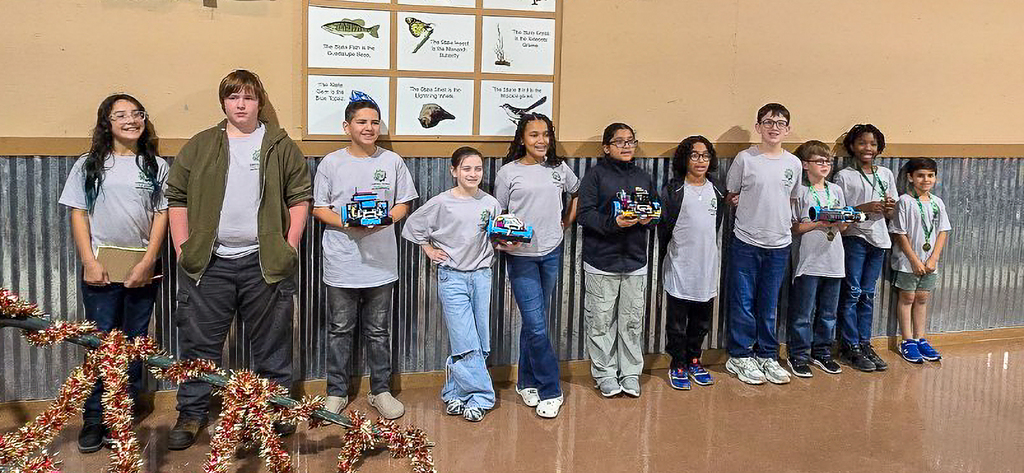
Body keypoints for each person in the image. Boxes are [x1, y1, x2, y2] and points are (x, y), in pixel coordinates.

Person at [165, 70, 312, 450]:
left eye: (248, 97)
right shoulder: (200, 145)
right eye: (233, 98)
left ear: (259, 102)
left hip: (264, 264)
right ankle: (192, 412)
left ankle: (275, 408)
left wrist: (289, 245)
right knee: (198, 345)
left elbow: (300, 197)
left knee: (273, 342)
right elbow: (176, 197)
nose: (241, 105)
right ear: (224, 103)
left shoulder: (280, 145)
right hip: (209, 264)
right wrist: (182, 247)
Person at [58, 94, 168, 453]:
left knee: (133, 343)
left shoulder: (155, 166)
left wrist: (148, 261)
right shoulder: (89, 164)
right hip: (101, 268)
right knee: (100, 344)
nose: (130, 120)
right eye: (120, 115)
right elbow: (78, 213)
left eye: (137, 114)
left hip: (141, 269)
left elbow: (162, 215)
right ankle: (93, 417)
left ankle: (121, 416)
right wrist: (89, 261)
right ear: (107, 122)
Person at [312, 98, 417, 420]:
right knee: (339, 330)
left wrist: (385, 219)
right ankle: (336, 392)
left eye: (374, 122)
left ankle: (380, 390)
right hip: (341, 262)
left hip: (381, 264)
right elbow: (319, 208)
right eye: (361, 122)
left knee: (378, 331)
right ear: (347, 127)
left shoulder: (392, 161)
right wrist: (348, 221)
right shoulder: (331, 163)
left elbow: (404, 203)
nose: (369, 128)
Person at [401, 146, 513, 422]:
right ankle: (482, 397)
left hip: (482, 276)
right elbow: (412, 226)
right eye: (466, 168)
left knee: (480, 340)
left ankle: (456, 393)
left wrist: (505, 242)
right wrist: (428, 249)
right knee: (465, 339)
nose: (473, 174)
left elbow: (493, 236)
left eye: (478, 169)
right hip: (452, 278)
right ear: (454, 171)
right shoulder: (441, 203)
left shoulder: (491, 203)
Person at [494, 113, 579, 418]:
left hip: (551, 252)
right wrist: (503, 239)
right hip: (521, 258)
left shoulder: (559, 168)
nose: (541, 140)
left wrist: (565, 223)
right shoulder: (508, 173)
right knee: (537, 324)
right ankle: (551, 389)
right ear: (522, 139)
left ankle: (526, 380)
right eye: (534, 135)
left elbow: (576, 193)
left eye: (546, 134)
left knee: (535, 321)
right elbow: (498, 213)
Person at [576, 123, 658, 398]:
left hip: (636, 261)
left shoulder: (643, 176)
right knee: (600, 322)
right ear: (606, 147)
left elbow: (655, 209)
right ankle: (605, 374)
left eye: (630, 141)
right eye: (619, 141)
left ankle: (631, 373)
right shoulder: (595, 176)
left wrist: (648, 219)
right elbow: (585, 214)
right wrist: (614, 223)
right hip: (601, 262)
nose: (626, 146)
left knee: (632, 322)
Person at [724, 103, 802, 386]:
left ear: (788, 130)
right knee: (743, 301)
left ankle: (766, 354)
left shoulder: (793, 164)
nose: (774, 128)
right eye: (768, 122)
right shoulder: (745, 159)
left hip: (779, 243)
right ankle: (740, 355)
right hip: (746, 241)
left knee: (769, 303)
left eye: (780, 123)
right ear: (758, 127)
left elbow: (792, 199)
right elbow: (731, 194)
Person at [658, 135, 725, 391]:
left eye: (705, 155)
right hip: (680, 266)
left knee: (701, 321)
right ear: (685, 159)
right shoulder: (674, 190)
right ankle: (677, 363)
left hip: (706, 267)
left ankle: (694, 360)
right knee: (677, 323)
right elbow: (665, 229)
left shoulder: (717, 190)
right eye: (694, 155)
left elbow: (715, 225)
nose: (700, 161)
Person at [833, 124, 897, 372]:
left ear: (879, 148)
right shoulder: (844, 176)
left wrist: (888, 208)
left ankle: (864, 343)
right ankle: (850, 346)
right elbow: (839, 213)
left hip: (879, 240)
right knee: (852, 292)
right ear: (852, 146)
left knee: (868, 294)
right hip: (855, 237)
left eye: (872, 144)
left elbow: (892, 212)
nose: (867, 148)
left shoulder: (886, 174)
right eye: (861, 143)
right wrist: (864, 208)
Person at [786, 140, 848, 378]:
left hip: (834, 259)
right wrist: (820, 222)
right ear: (805, 165)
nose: (825, 165)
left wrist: (842, 219)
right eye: (819, 161)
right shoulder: (801, 191)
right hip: (809, 260)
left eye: (828, 161)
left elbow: (843, 227)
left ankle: (822, 352)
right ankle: (798, 354)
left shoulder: (836, 190)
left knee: (828, 312)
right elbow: (794, 227)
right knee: (803, 312)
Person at [890, 158, 951, 363]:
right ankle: (907, 341)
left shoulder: (937, 202)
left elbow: (943, 231)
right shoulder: (904, 201)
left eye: (930, 175)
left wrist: (933, 258)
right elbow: (899, 233)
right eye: (920, 175)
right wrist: (914, 260)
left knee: (922, 297)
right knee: (907, 297)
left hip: (930, 262)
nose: (926, 180)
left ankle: (920, 338)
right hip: (908, 261)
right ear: (910, 177)